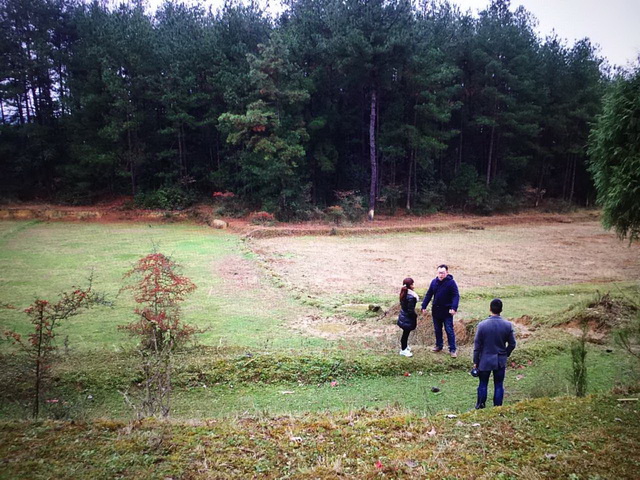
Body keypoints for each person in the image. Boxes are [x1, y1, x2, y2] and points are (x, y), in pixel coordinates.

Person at [472, 298, 517, 409]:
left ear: (490, 309)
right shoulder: (507, 325)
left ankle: (480, 405)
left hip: (485, 359)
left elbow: (477, 346)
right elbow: (512, 344)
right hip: (500, 360)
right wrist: (505, 354)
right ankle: (497, 407)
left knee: (483, 384)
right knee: (498, 385)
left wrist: (475, 362)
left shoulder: (482, 325)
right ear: (501, 309)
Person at [421, 264, 460, 357]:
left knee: (449, 330)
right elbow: (429, 294)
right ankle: (439, 346)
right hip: (436, 311)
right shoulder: (434, 282)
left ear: (447, 272)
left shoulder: (451, 283)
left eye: (442, 273)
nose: (441, 275)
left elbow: (456, 296)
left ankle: (452, 349)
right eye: (439, 273)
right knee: (437, 329)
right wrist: (424, 306)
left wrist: (454, 308)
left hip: (447, 311)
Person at [397, 277, 419, 357]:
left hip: (403, 316)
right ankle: (403, 350)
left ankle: (405, 347)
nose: (413, 286)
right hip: (407, 318)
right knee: (405, 334)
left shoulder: (403, 293)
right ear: (410, 285)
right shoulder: (411, 297)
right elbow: (410, 310)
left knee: (405, 334)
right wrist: (415, 316)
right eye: (412, 284)